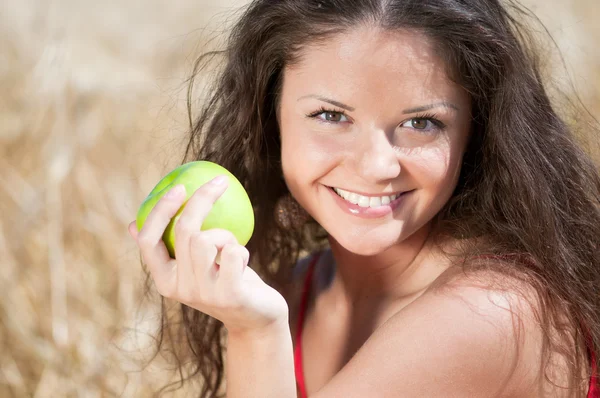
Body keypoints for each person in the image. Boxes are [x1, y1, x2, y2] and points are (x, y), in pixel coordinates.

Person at [128, 0, 600, 396]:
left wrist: (254, 333)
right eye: (331, 115)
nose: (378, 166)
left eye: (422, 123)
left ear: (475, 133)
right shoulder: (295, 289)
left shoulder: (494, 312)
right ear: (268, 115)